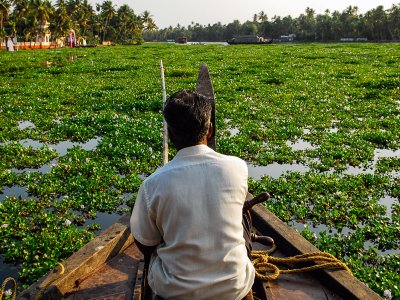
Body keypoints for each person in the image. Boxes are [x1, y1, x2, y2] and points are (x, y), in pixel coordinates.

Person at [130, 90, 255, 299]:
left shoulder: (152, 184)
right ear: (210, 131)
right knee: (243, 220)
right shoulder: (238, 168)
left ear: (170, 134)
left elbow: (146, 244)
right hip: (234, 287)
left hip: (175, 291)